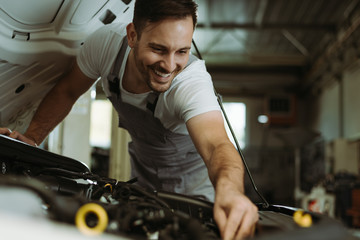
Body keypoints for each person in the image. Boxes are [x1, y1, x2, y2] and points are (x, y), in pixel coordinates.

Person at [0, 0, 258, 239]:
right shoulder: (105, 45)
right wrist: (32, 139)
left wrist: (231, 192)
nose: (169, 66)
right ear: (132, 35)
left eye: (182, 51)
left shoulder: (191, 83)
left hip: (197, 192)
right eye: (159, 49)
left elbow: (217, 146)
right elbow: (67, 91)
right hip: (144, 182)